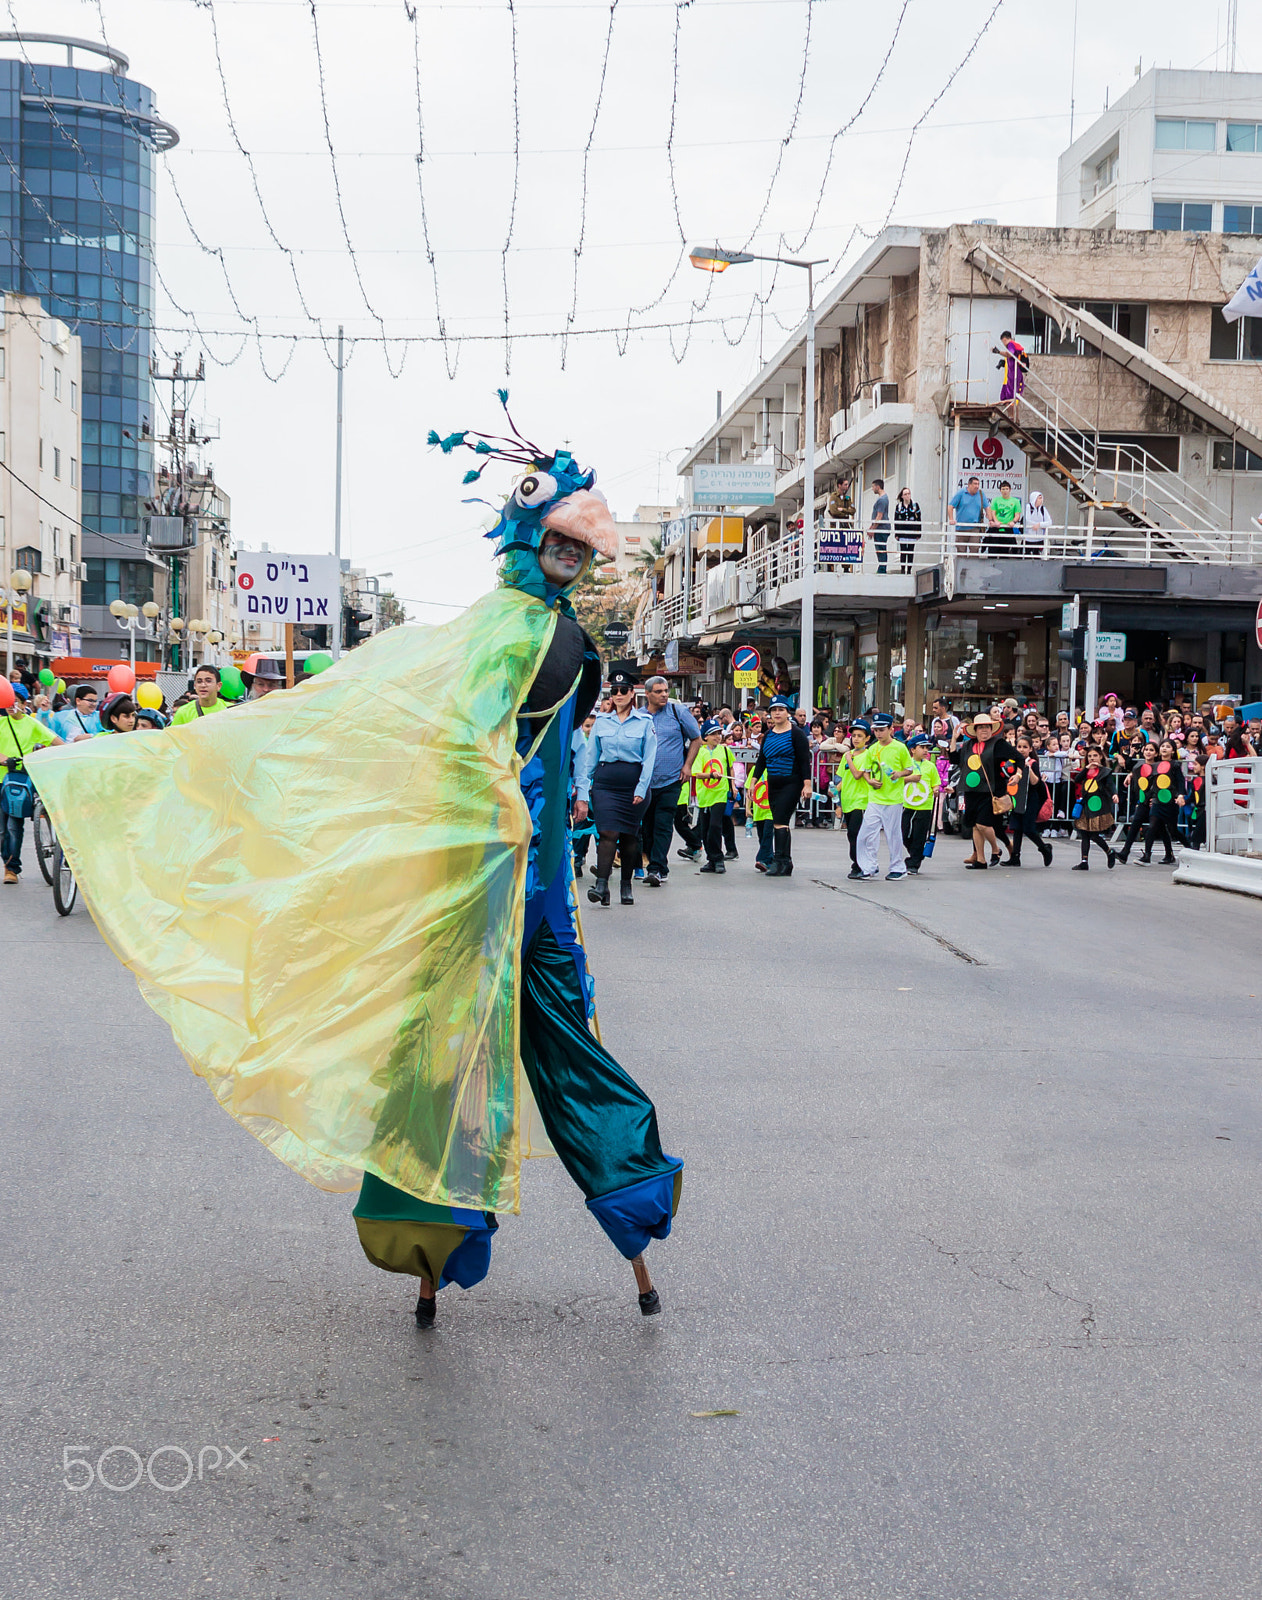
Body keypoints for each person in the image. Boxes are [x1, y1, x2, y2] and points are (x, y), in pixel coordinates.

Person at [32, 403, 683, 1328]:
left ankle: (513, 1229)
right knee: (465, 1059)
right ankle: (496, 1231)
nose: (570, 563)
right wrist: (500, 823)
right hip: (490, 876)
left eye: (580, 551)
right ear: (528, 541)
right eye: (559, 547)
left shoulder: (532, 634)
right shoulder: (516, 634)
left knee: (501, 1054)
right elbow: (465, 741)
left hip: (509, 878)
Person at [574, 662, 656, 908]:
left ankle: (626, 884)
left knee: (629, 836)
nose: (618, 695)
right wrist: (582, 791)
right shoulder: (601, 722)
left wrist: (642, 789)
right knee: (607, 832)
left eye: (623, 690)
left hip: (633, 784)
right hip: (605, 783)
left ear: (633, 693)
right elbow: (590, 758)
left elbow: (649, 759)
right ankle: (601, 885)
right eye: (615, 691)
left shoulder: (644, 722)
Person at [640, 675, 700, 888]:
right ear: (648, 694)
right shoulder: (639, 717)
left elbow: (696, 738)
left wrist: (688, 765)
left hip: (671, 779)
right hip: (645, 782)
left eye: (666, 690)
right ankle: (650, 860)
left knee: (663, 824)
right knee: (646, 827)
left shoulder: (678, 712)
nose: (664, 694)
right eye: (658, 691)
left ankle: (657, 869)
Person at [1, 686, 62, 883]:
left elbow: (56, 742)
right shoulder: (1, 723)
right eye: (8, 702)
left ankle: (12, 868)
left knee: (13, 826)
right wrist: (3, 759)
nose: (12, 706)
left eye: (16, 701)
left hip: (20, 781)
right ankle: (7, 861)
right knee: (1, 830)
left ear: (24, 702)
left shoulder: (32, 724)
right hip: (0, 781)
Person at [751, 695, 812, 878]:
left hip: (791, 782)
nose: (777, 713)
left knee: (779, 820)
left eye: (781, 710)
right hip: (773, 783)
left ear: (787, 712)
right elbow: (762, 760)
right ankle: (786, 862)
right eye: (774, 710)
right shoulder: (768, 735)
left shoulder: (796, 734)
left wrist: (807, 784)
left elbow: (804, 761)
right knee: (781, 822)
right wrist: (753, 781)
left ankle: (778, 860)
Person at [952, 712, 1021, 869]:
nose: (984, 730)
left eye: (987, 727)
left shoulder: (999, 744)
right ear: (975, 730)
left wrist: (1018, 774)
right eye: (980, 727)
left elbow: (1018, 758)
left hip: (992, 791)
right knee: (976, 826)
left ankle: (996, 849)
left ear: (992, 729)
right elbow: (954, 760)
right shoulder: (969, 745)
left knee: (983, 824)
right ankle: (981, 860)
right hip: (972, 790)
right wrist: (954, 739)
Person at [855, 711, 912, 879]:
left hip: (893, 799)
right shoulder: (872, 749)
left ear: (890, 729)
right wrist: (870, 781)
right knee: (866, 833)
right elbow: (865, 771)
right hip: (875, 798)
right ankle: (868, 866)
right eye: (876, 730)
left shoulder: (900, 748)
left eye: (882, 730)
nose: (878, 733)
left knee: (893, 834)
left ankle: (898, 867)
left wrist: (899, 774)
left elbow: (909, 768)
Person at [1004, 732, 1054, 866]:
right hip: (1017, 797)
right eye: (1019, 747)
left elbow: (1036, 783)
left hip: (1031, 798)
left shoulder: (1033, 763)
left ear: (1030, 749)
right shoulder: (1014, 762)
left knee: (1028, 828)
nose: (1021, 749)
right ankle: (1015, 857)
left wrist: (1028, 769)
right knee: (1017, 828)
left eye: (1025, 747)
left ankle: (1044, 848)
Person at [691, 720, 733, 875]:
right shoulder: (700, 752)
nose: (717, 737)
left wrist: (733, 787)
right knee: (705, 829)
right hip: (704, 795)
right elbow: (696, 773)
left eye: (719, 733)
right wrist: (710, 775)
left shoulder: (725, 751)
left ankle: (718, 858)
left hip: (720, 793)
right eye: (714, 734)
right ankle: (711, 859)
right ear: (706, 736)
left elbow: (730, 768)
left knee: (716, 826)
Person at [833, 718, 872, 879]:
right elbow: (842, 779)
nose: (856, 739)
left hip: (861, 800)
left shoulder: (867, 755)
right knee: (851, 834)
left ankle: (861, 865)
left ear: (867, 738)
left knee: (858, 833)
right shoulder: (848, 755)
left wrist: (849, 759)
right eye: (854, 736)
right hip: (848, 800)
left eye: (860, 736)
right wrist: (836, 796)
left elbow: (857, 775)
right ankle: (856, 863)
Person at [1135, 740, 1184, 865]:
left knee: (1172, 830)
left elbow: (1180, 781)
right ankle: (1147, 855)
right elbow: (1150, 782)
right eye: (1162, 746)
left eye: (1168, 747)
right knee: (1152, 827)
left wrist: (1180, 795)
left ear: (1173, 751)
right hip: (1157, 801)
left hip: (1171, 801)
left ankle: (1190, 849)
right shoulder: (1155, 765)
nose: (1164, 748)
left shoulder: (1175, 765)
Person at [1071, 747, 1118, 870]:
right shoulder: (1086, 771)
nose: (1092, 758)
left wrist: (1114, 794)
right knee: (1084, 833)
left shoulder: (1105, 771)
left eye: (1095, 756)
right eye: (1090, 756)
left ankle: (1109, 852)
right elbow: (1077, 779)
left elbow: (1111, 785)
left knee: (1094, 834)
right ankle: (1084, 861)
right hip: (1086, 804)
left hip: (1098, 806)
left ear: (1100, 757)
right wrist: (1085, 769)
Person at [900, 734, 940, 874]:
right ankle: (916, 853)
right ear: (912, 750)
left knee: (919, 835)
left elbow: (936, 784)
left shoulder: (930, 766)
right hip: (907, 804)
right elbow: (896, 782)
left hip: (925, 805)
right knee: (904, 833)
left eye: (926, 748)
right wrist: (910, 779)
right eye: (921, 747)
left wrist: (936, 790)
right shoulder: (906, 765)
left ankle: (914, 863)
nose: (925, 750)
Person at [570, 712, 596, 878]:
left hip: (596, 791)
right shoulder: (580, 739)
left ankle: (604, 865)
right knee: (580, 828)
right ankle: (578, 859)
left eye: (593, 726)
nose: (590, 729)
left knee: (600, 829)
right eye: (587, 726)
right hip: (578, 791)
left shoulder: (598, 741)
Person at [947, 475, 990, 557]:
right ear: (969, 485)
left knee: (975, 550)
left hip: (975, 527)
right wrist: (951, 519)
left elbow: (987, 507)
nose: (977, 486)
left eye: (978, 484)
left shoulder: (980, 494)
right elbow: (950, 506)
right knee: (961, 551)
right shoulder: (961, 493)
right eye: (975, 484)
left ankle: (973, 569)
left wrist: (990, 519)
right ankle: (961, 569)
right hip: (961, 528)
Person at [988, 480, 1023, 555]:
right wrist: (996, 521)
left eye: (1007, 489)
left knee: (1005, 551)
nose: (1005, 491)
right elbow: (993, 512)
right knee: (992, 550)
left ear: (1010, 490)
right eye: (1003, 489)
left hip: (1008, 528)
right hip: (996, 528)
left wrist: (1013, 522)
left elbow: (1017, 514)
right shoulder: (996, 500)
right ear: (1000, 490)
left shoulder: (1015, 501)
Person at [893, 487, 921, 574]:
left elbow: (919, 519)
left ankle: (909, 569)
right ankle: (902, 569)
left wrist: (918, 533)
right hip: (902, 532)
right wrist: (896, 533)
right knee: (903, 550)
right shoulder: (899, 507)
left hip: (912, 532)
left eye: (908, 494)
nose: (907, 496)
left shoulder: (915, 506)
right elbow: (896, 520)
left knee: (910, 551)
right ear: (902, 496)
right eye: (905, 494)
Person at [996, 329, 1027, 404]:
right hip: (1011, 375)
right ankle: (1011, 416)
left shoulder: (1011, 344)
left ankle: (1012, 416)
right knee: (1008, 398)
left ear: (1005, 339)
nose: (1003, 344)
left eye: (1003, 341)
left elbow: (1010, 354)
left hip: (1014, 375)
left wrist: (998, 352)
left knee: (1011, 398)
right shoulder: (1012, 346)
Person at [868, 479, 891, 574]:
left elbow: (879, 516)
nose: (872, 488)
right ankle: (881, 567)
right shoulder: (883, 498)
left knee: (881, 548)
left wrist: (873, 528)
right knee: (880, 548)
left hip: (881, 528)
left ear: (878, 487)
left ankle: (882, 569)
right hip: (880, 527)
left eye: (873, 486)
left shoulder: (882, 500)